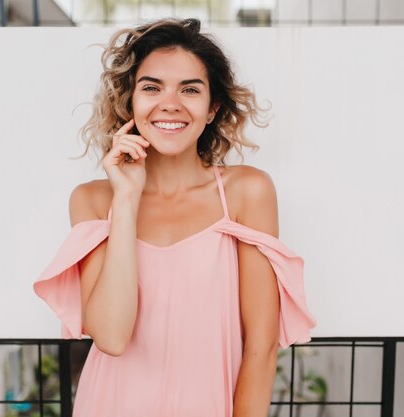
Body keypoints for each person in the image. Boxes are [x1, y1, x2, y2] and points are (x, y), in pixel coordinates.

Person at [33, 17, 316, 417]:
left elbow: (261, 347)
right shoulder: (95, 200)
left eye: (190, 89)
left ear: (212, 107)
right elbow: (112, 337)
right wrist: (127, 200)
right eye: (151, 88)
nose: (171, 104)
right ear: (130, 101)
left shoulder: (246, 193)